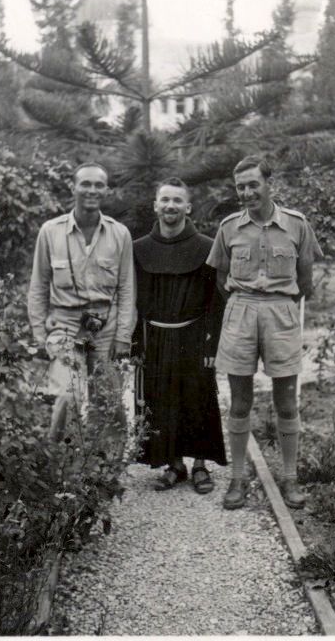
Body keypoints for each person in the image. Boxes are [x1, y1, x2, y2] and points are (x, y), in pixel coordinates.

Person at [207, 155, 323, 510]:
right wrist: (246, 304)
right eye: (240, 187)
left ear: (269, 184)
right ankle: (238, 478)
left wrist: (277, 304)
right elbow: (221, 278)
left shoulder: (296, 225)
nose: (246, 193)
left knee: (286, 401)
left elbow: (305, 281)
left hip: (281, 312)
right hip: (240, 311)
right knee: (240, 401)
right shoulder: (229, 227)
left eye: (253, 185)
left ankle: (289, 478)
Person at [28, 162, 136, 441]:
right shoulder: (50, 231)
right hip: (64, 325)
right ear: (73, 187)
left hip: (105, 326)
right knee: (68, 395)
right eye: (85, 183)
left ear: (106, 190)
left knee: (108, 400)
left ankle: (106, 464)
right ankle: (58, 458)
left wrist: (123, 336)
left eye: (99, 185)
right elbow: (38, 286)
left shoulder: (119, 234)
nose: (92, 190)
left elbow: (127, 289)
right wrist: (39, 333)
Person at [133, 177, 227, 493]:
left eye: (177, 200)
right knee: (161, 399)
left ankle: (200, 465)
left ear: (188, 207)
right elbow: (133, 300)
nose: (170, 205)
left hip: (194, 335)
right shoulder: (138, 249)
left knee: (198, 398)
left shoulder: (207, 247)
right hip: (156, 337)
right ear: (155, 206)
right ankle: (174, 465)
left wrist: (212, 343)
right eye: (165, 200)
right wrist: (135, 343)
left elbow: (217, 301)